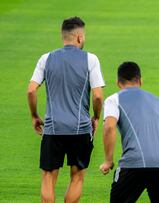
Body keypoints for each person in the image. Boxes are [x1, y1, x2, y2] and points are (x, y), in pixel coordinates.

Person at [27, 16, 105, 203]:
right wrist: (95, 117)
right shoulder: (91, 59)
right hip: (80, 129)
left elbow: (31, 90)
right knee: (77, 177)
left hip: (53, 129)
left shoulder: (46, 58)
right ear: (79, 37)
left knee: (47, 178)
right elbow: (98, 96)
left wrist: (35, 115)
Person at [99, 61, 159, 203]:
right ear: (140, 81)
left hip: (134, 163)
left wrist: (108, 160)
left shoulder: (114, 99)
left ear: (118, 83)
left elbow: (109, 126)